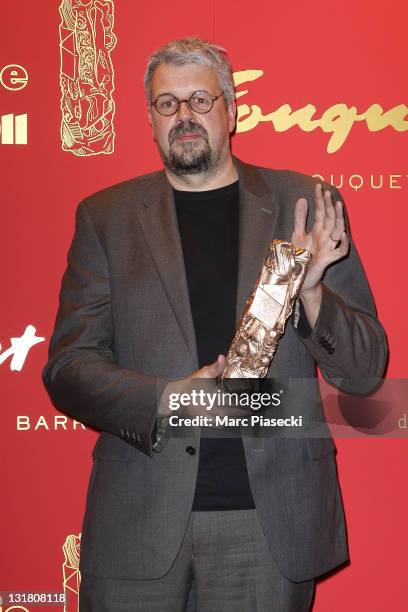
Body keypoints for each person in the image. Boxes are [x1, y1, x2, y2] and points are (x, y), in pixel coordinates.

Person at [42, 37, 388, 611]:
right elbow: (68, 368)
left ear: (232, 110)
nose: (184, 117)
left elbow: (365, 371)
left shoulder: (303, 203)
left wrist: (310, 289)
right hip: (140, 523)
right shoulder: (106, 217)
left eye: (201, 101)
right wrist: (166, 399)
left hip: (269, 524)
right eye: (166, 104)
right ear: (149, 118)